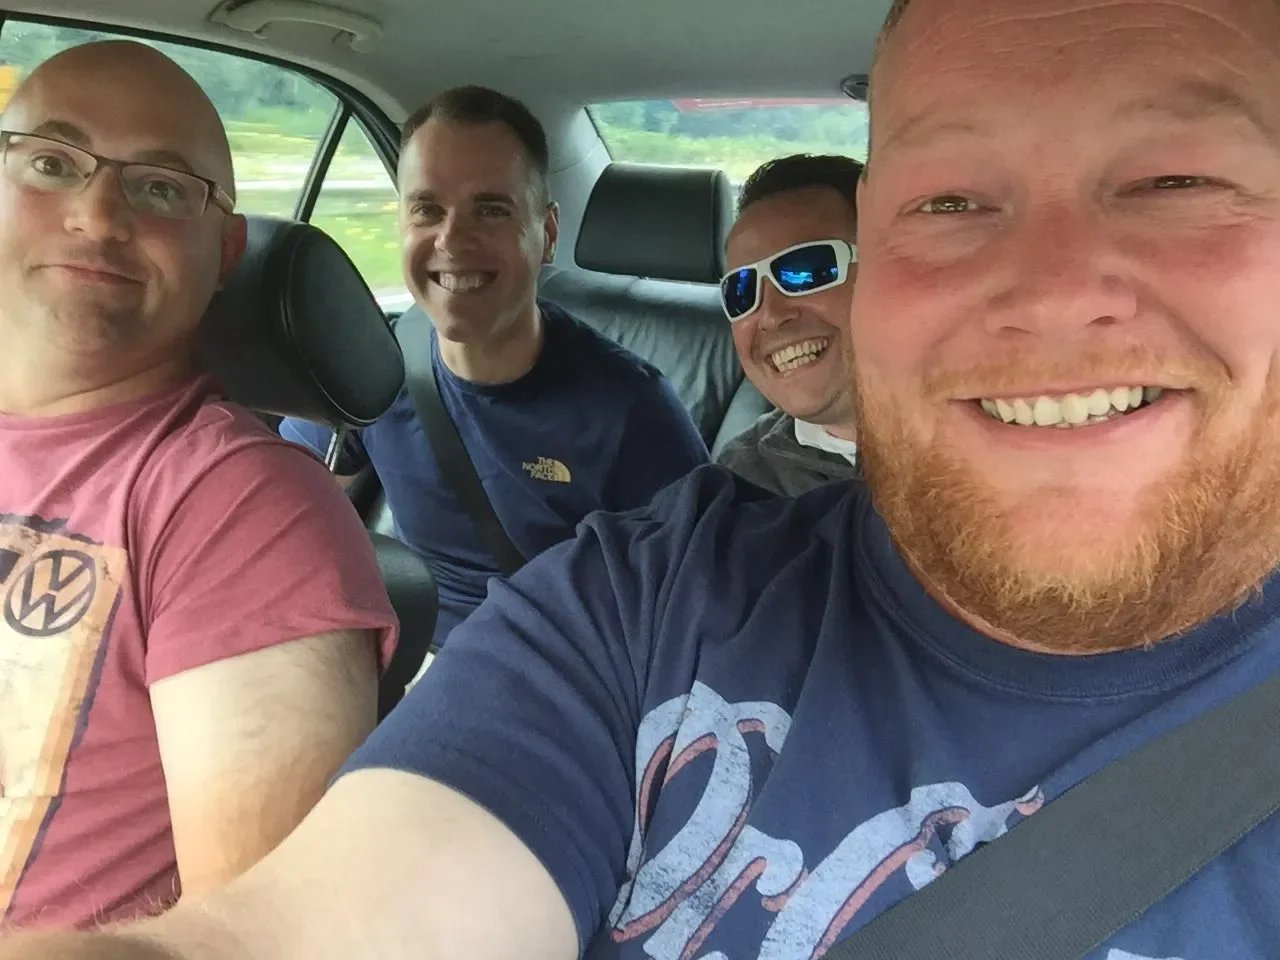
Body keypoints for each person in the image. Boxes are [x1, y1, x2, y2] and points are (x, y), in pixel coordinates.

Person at [11, 0, 1280, 955]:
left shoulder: (624, 423)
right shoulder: (653, 598)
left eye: (1179, 180)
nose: (1049, 292)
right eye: (948, 202)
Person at [0, 41, 397, 930]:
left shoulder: (244, 513)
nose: (98, 215)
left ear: (224, 251)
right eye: (53, 163)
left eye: (160, 187)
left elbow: (262, 943)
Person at [280, 85, 708, 646]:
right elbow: (288, 512)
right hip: (407, 652)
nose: (452, 239)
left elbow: (693, 600)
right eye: (427, 210)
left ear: (547, 234)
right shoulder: (372, 366)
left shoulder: (630, 408)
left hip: (561, 676)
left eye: (491, 209)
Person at [716, 155, 862, 495]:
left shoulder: (999, 433)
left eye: (806, 271)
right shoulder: (740, 484)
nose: (769, 315)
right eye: (741, 291)